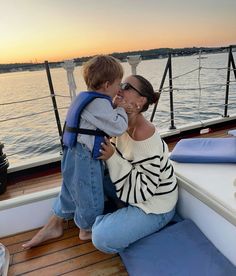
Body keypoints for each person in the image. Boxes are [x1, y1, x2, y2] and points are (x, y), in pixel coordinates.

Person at [22, 55, 128, 249]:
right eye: (118, 84)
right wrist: (120, 108)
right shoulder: (100, 103)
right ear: (106, 85)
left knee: (72, 188)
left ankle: (57, 224)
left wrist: (112, 105)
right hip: (84, 156)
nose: (119, 88)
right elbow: (117, 127)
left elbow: (96, 119)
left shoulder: (85, 98)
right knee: (89, 191)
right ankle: (86, 230)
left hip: (70, 152)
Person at [91, 74, 178, 253]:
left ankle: (100, 221)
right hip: (129, 188)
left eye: (127, 86)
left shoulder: (145, 135)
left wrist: (112, 157)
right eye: (120, 84)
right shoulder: (119, 123)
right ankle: (65, 218)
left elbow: (145, 191)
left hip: (155, 205)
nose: (120, 88)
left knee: (101, 237)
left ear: (140, 101)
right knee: (85, 175)